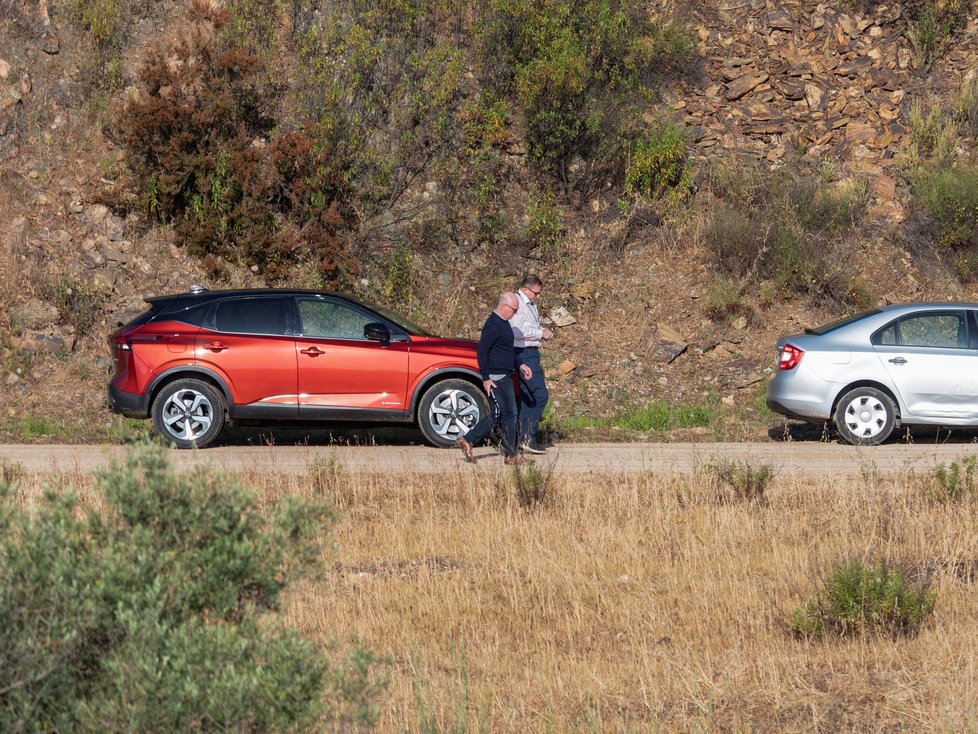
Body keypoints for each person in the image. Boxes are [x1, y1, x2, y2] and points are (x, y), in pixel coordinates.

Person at [457, 292, 533, 465]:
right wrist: (486, 377)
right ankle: (509, 454)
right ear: (504, 307)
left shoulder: (504, 323)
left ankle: (471, 441)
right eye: (514, 310)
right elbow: (482, 351)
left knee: (504, 414)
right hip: (496, 377)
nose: (516, 313)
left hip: (505, 374)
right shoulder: (493, 324)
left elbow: (506, 351)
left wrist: (519, 364)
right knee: (509, 414)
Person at [508, 274, 553, 454]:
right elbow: (516, 331)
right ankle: (527, 436)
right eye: (536, 292)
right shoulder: (517, 304)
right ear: (525, 289)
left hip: (531, 353)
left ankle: (524, 439)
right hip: (523, 354)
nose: (538, 296)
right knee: (540, 395)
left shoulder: (531, 303)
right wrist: (539, 333)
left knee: (529, 397)